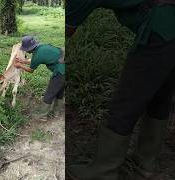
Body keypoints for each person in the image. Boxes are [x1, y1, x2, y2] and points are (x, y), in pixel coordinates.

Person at [66, 0, 175, 180]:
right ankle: (145, 162)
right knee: (160, 95)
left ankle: (103, 171)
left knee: (126, 101)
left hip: (160, 31)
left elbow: (67, 29)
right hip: (168, 26)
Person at [14, 36, 65, 118]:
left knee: (50, 92)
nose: (26, 51)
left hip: (61, 72)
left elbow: (31, 70)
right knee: (59, 90)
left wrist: (19, 65)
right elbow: (34, 61)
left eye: (26, 50)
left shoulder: (37, 55)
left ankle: (42, 115)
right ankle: (57, 112)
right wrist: (22, 61)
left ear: (29, 49)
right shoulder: (42, 47)